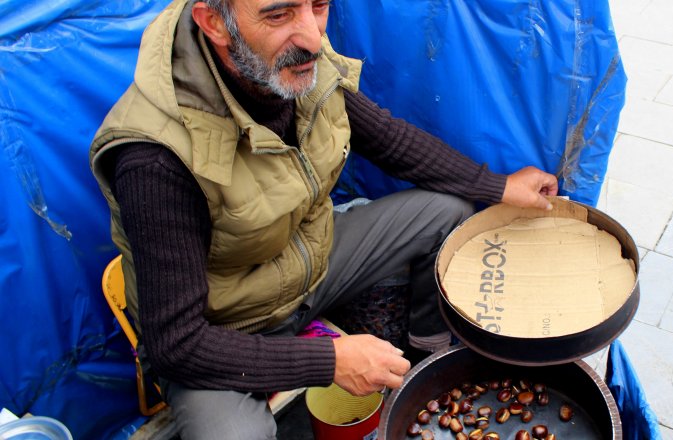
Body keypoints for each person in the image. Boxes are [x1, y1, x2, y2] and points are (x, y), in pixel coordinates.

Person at [89, 0, 558, 438]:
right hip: (223, 328)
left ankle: (426, 358)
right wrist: (328, 360)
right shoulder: (155, 158)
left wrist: (497, 186)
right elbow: (178, 346)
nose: (312, 36)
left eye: (319, 4)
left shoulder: (298, 60)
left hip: (306, 266)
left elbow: (389, 141)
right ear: (214, 23)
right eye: (279, 15)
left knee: (447, 214)